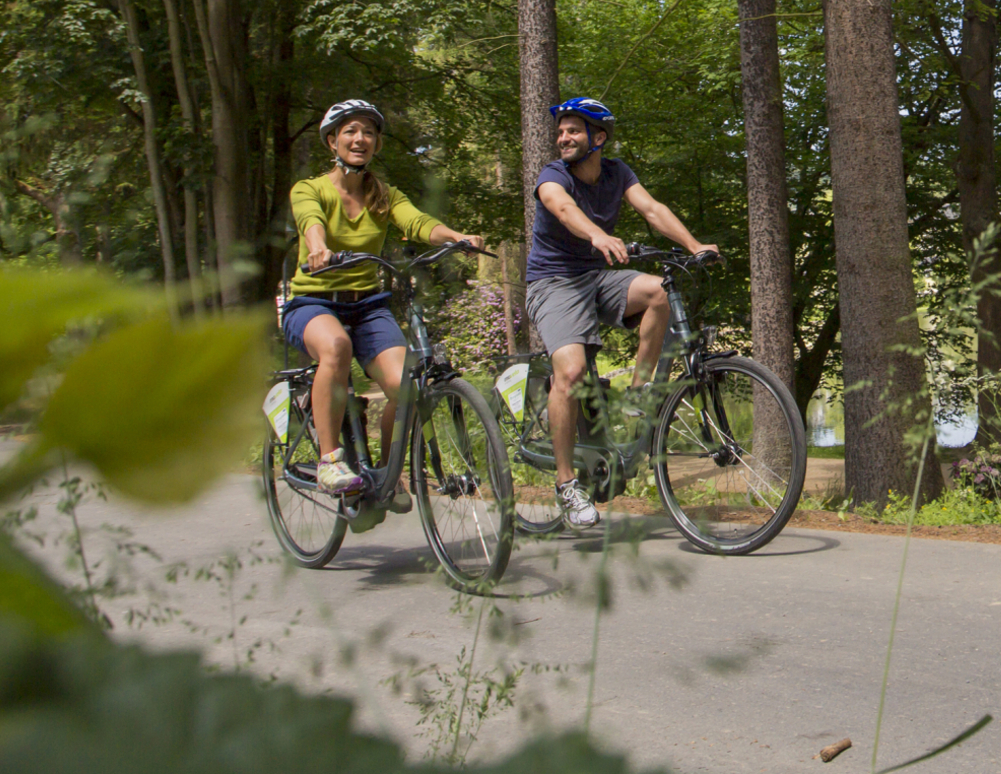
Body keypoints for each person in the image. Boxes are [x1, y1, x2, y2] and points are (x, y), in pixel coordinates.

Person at [525, 97, 717, 526]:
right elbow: (562, 207)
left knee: (659, 292)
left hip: (596, 278)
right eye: (560, 132)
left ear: (599, 137)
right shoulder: (553, 175)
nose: (563, 138)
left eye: (573, 131)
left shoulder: (617, 172)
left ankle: (638, 391)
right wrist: (597, 235)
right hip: (553, 283)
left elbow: (651, 210)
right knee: (571, 374)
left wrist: (694, 246)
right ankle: (566, 485)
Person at [285, 100, 484, 496]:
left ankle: (385, 475)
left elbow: (417, 222)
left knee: (407, 388)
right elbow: (311, 221)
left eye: (369, 133)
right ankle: (330, 460)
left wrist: (456, 237)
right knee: (336, 346)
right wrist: (318, 247)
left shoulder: (383, 195)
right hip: (314, 302)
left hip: (367, 306)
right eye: (350, 131)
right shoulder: (310, 189)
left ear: (376, 145)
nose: (360, 139)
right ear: (332, 141)